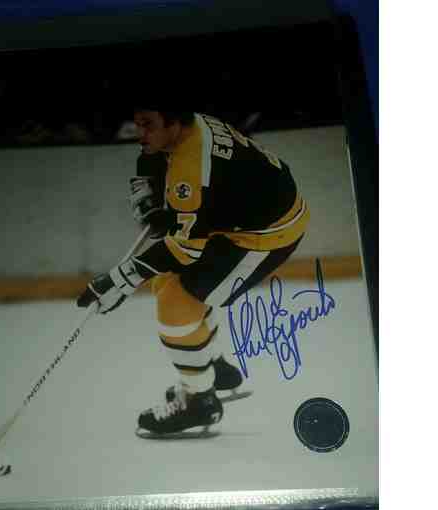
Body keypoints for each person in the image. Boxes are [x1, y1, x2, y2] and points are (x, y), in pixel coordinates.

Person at [77, 108, 309, 438]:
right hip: (241, 218)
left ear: (173, 122)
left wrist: (120, 279)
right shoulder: (190, 126)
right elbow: (152, 155)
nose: (140, 134)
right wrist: (147, 189)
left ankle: (200, 401)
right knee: (165, 282)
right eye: (138, 124)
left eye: (148, 125)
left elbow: (185, 249)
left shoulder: (192, 168)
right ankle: (214, 368)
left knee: (176, 305)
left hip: (265, 235)